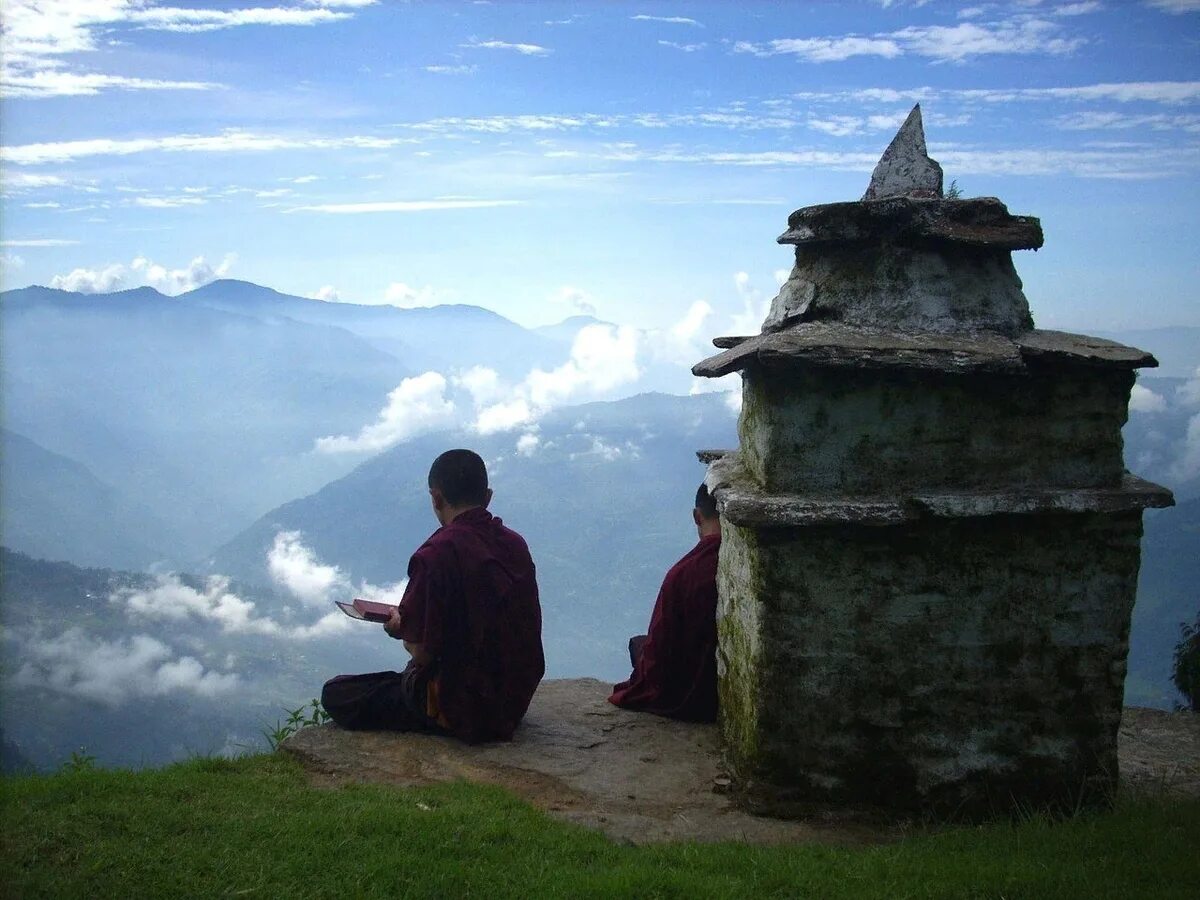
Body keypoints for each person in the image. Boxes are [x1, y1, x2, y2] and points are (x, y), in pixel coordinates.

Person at [322, 449, 544, 743]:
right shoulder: (515, 545)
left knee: (338, 693)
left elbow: (422, 652)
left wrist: (399, 628)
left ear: (436, 498)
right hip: (511, 700)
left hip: (462, 707)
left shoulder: (437, 554)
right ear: (487, 496)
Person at [608, 484, 721, 722]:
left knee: (638, 645)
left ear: (696, 516)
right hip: (718, 686)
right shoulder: (733, 564)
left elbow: (659, 651)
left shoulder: (682, 574)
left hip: (688, 696)